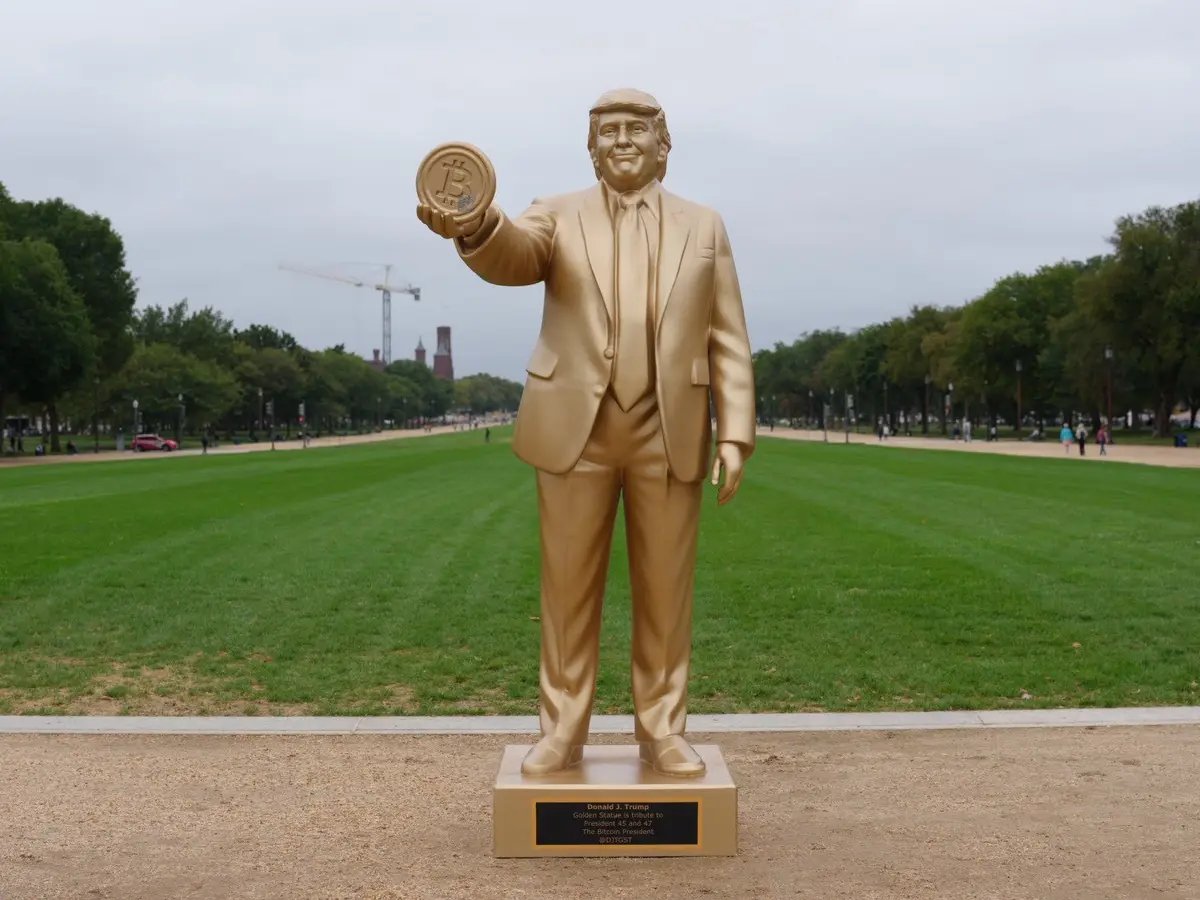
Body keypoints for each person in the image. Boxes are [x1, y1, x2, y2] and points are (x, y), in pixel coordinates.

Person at [417, 88, 755, 777]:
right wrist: (475, 224)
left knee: (667, 595)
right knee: (567, 594)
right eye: (608, 131)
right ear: (590, 147)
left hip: (671, 427)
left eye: (637, 129)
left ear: (665, 145)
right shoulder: (555, 214)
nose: (622, 140)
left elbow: (728, 335)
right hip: (577, 430)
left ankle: (663, 730)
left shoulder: (706, 226)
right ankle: (561, 732)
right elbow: (512, 254)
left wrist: (736, 431)